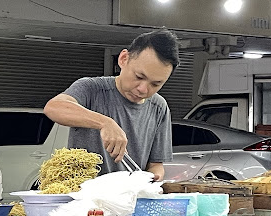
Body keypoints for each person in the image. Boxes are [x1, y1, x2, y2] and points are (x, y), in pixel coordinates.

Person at [44, 28, 179, 181]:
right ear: (123, 59)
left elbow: (156, 164)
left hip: (128, 199)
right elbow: (54, 107)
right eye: (139, 76)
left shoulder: (159, 107)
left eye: (155, 84)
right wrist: (104, 123)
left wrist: (153, 177)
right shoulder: (92, 89)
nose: (143, 89)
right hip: (85, 197)